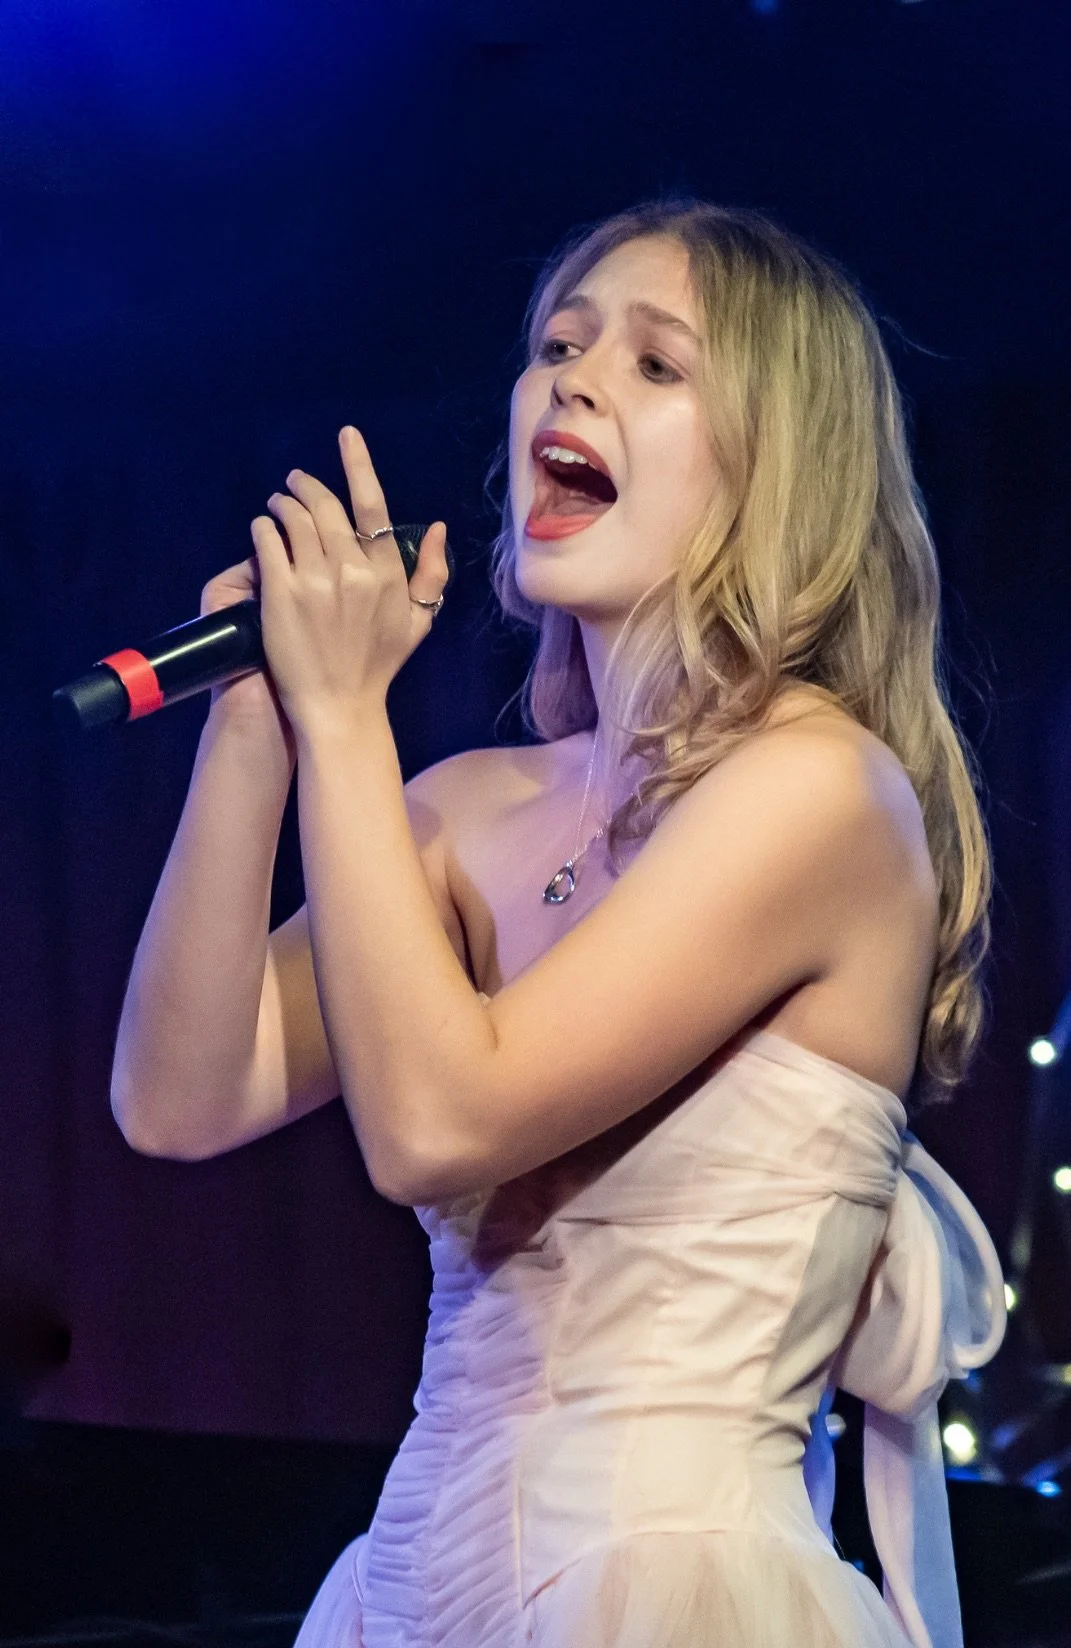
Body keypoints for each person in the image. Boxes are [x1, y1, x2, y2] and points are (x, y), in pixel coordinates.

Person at [110, 201, 1007, 1648]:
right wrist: (260, 736)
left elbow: (437, 1125)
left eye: (656, 365)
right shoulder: (468, 804)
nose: (571, 380)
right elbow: (178, 1097)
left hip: (671, 1585)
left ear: (780, 471)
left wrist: (348, 725)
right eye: (558, 345)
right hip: (408, 1593)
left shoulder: (818, 789)